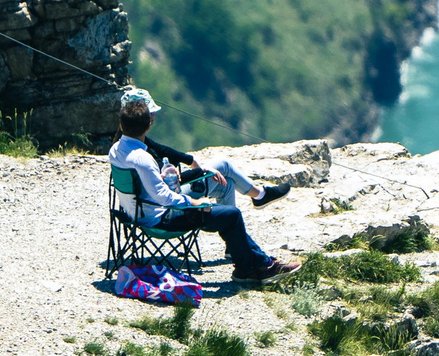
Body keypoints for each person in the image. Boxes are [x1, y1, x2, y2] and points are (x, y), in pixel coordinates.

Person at [110, 87, 301, 283]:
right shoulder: (143, 159)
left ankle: (252, 263)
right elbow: (163, 197)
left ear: (122, 125)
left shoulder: (116, 150)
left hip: (136, 213)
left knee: (225, 194)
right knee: (232, 215)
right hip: (161, 218)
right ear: (148, 125)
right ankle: (256, 267)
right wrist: (194, 202)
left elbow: (154, 188)